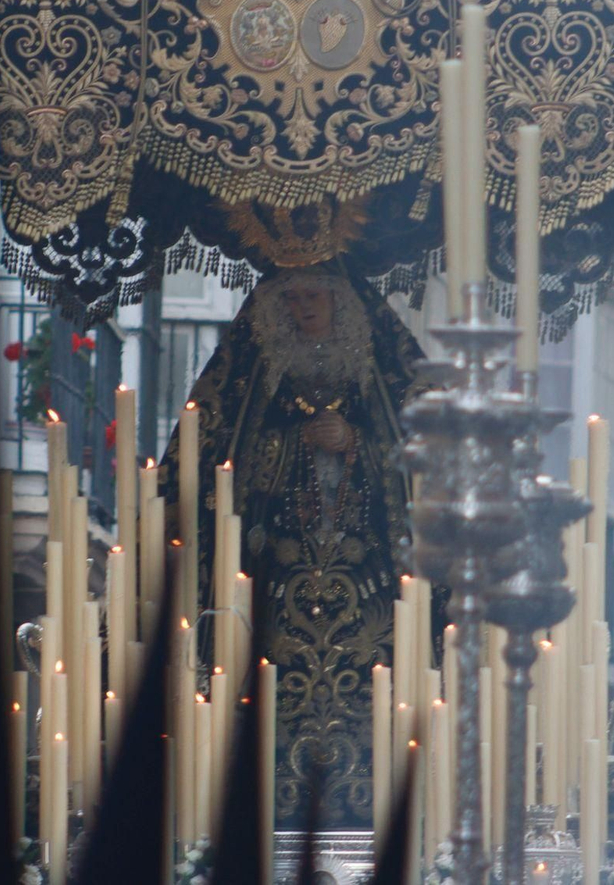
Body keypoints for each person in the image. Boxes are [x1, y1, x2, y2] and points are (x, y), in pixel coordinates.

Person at [162, 263, 431, 829]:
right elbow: (219, 463)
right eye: (293, 299)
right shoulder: (260, 383)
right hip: (275, 582)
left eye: (316, 296)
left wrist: (355, 440)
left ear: (345, 307)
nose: (304, 308)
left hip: (370, 587)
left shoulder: (378, 379)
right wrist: (289, 444)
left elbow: (427, 462)